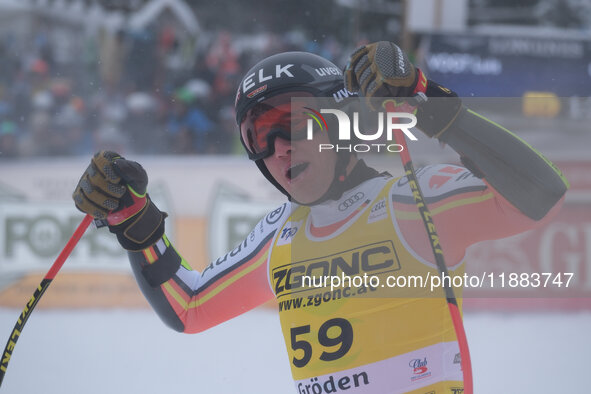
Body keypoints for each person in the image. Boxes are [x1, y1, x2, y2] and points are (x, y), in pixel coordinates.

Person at [72, 41, 569, 393]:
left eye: (291, 123)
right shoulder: (278, 237)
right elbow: (190, 306)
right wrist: (135, 223)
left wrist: (425, 102)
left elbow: (539, 193)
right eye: (259, 136)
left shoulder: (411, 202)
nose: (279, 148)